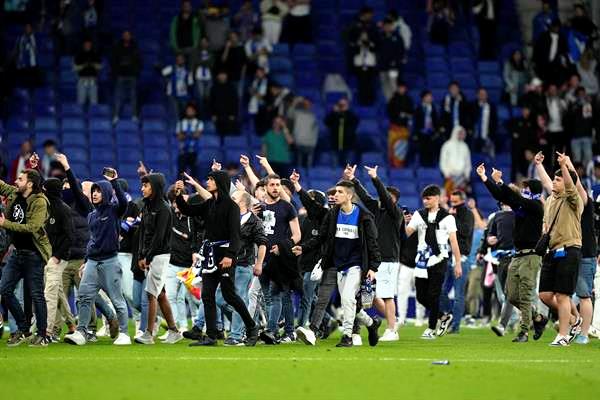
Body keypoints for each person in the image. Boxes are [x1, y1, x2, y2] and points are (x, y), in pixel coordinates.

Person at [175, 170, 260, 346]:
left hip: (225, 255)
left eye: (211, 179)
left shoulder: (231, 206)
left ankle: (252, 327)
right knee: (207, 295)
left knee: (229, 296)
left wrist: (230, 255)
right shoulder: (209, 204)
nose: (208, 181)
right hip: (211, 255)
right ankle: (212, 336)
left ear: (220, 182)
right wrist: (178, 195)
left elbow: (235, 235)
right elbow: (187, 210)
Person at [295, 179, 381, 347]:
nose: (336, 195)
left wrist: (373, 267)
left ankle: (347, 336)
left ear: (349, 195)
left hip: (355, 265)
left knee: (348, 298)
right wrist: (303, 248)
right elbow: (322, 237)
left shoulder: (363, 216)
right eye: (336, 192)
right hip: (336, 264)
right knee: (348, 302)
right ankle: (371, 323)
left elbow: (372, 243)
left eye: (340, 192)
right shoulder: (333, 214)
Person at [476, 163, 544, 342]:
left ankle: (523, 332)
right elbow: (502, 196)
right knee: (512, 295)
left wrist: (501, 182)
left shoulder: (536, 206)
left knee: (526, 293)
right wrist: (485, 178)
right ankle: (537, 317)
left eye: (526, 189)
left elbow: (517, 199)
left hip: (531, 255)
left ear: (534, 192)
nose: (523, 191)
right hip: (518, 254)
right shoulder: (521, 206)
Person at [64, 168, 131, 346]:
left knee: (117, 299)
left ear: (107, 193)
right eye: (93, 191)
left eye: (98, 191)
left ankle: (124, 333)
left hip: (110, 261)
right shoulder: (92, 215)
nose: (94, 194)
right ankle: (81, 332)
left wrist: (115, 182)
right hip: (92, 262)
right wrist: (86, 261)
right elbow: (92, 240)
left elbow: (124, 203)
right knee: (84, 296)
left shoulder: (114, 211)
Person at [536, 154, 596, 344]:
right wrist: (539, 165)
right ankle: (574, 319)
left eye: (558, 179)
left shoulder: (573, 199)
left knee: (564, 295)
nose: (554, 182)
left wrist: (565, 166)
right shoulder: (551, 199)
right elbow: (547, 181)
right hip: (552, 251)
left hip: (570, 249)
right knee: (545, 295)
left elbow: (570, 184)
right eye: (554, 179)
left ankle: (563, 335)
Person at [351, 165, 403, 341]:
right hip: (374, 260)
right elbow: (365, 197)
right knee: (370, 296)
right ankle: (393, 322)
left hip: (388, 260)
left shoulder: (396, 214)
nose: (382, 199)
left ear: (393, 200)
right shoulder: (376, 209)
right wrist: (353, 180)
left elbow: (384, 198)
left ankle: (392, 330)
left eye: (387, 197)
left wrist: (375, 178)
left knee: (387, 295)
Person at [0, 169, 51, 346]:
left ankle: (43, 334)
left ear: (30, 184)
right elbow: (2, 186)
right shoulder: (15, 193)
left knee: (37, 296)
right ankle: (23, 328)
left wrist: (4, 224)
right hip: (17, 253)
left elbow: (32, 227)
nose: (15, 181)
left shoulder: (40, 202)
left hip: (34, 255)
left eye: (20, 179)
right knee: (4, 289)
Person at [405, 184, 462, 340]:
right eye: (423, 198)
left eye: (428, 198)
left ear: (437, 198)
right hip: (422, 260)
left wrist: (458, 263)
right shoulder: (418, 215)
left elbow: (454, 242)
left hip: (440, 259)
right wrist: (404, 223)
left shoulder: (448, 218)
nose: (425, 201)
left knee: (434, 294)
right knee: (421, 297)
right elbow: (407, 234)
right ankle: (443, 316)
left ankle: (431, 328)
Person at [135, 173, 182, 345]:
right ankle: (174, 331)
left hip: (160, 255)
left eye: (146, 185)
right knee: (160, 294)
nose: (142, 188)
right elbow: (142, 233)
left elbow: (159, 237)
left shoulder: (163, 208)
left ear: (154, 187)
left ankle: (149, 334)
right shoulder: (146, 207)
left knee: (151, 293)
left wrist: (147, 256)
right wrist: (141, 254)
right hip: (150, 255)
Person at [259, 174, 301, 343]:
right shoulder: (258, 209)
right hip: (262, 259)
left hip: (281, 259)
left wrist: (283, 247)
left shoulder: (287, 207)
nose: (276, 188)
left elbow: (297, 235)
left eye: (278, 185)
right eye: (272, 185)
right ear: (265, 188)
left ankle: (273, 331)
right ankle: (282, 331)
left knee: (279, 296)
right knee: (269, 298)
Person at [224, 190, 267, 346]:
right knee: (220, 299)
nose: (231, 200)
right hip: (226, 264)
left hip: (243, 264)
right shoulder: (228, 217)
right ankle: (250, 324)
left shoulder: (254, 221)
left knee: (239, 297)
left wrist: (259, 263)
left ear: (242, 202)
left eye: (234, 198)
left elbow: (262, 243)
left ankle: (235, 335)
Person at [41, 178, 73, 342]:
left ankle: (46, 333)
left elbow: (69, 236)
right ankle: (71, 323)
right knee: (58, 292)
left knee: (49, 294)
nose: (42, 191)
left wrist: (57, 256)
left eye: (44, 188)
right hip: (48, 256)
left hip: (58, 259)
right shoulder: (46, 206)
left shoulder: (63, 209)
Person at [438, 190, 474, 334]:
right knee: (440, 290)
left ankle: (456, 326)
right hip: (447, 256)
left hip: (462, 258)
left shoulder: (468, 214)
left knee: (459, 295)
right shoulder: (447, 215)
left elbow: (465, 231)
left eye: (456, 202)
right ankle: (449, 314)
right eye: (452, 201)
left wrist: (453, 217)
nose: (453, 204)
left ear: (462, 201)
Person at [111, 30, 142, 124]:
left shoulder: (135, 47)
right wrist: (116, 72)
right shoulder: (117, 47)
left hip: (132, 75)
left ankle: (134, 115)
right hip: (120, 75)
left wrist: (136, 72)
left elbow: (139, 61)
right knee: (118, 95)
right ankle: (116, 116)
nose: (126, 36)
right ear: (122, 36)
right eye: (125, 35)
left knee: (133, 96)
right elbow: (113, 60)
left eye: (128, 35)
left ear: (131, 36)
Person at [533, 20, 570, 86]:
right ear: (551, 27)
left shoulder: (561, 38)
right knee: (542, 83)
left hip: (555, 66)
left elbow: (564, 52)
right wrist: (536, 62)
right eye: (554, 27)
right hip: (543, 65)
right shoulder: (544, 36)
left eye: (558, 27)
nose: (556, 29)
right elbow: (537, 50)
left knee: (554, 83)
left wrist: (564, 61)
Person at [324, 98, 359, 167]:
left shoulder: (350, 115)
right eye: (340, 104)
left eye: (344, 104)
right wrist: (334, 112)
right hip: (335, 144)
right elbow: (326, 122)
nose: (342, 106)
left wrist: (346, 111)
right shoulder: (334, 115)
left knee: (348, 168)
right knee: (335, 167)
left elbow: (355, 122)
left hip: (348, 145)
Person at [377, 17, 405, 101]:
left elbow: (401, 51)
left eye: (389, 25)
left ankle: (396, 102)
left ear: (392, 26)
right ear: (383, 26)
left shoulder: (397, 37)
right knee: (384, 84)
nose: (387, 27)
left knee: (393, 84)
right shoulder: (379, 37)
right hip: (382, 66)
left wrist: (396, 61)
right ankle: (389, 102)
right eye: (386, 26)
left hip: (394, 67)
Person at [567, 87, 595, 167]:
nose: (581, 96)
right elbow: (569, 118)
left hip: (587, 135)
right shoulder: (572, 105)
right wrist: (576, 105)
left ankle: (588, 176)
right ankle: (578, 177)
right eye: (579, 94)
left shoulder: (589, 105)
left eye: (583, 94)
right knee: (577, 160)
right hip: (575, 136)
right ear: (576, 95)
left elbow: (591, 119)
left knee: (588, 159)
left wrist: (590, 104)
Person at [288, 96, 318, 168]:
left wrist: (313, 143)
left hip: (310, 144)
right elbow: (289, 113)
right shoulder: (297, 113)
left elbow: (315, 131)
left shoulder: (313, 116)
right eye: (305, 103)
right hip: (298, 143)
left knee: (309, 167)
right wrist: (295, 101)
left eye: (308, 104)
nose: (307, 105)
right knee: (298, 167)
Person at [439, 126, 471, 193]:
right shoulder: (447, 145)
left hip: (461, 177)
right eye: (460, 133)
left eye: (463, 134)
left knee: (461, 198)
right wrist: (446, 173)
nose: (461, 135)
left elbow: (468, 163)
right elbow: (443, 161)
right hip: (449, 176)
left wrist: (467, 175)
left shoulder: (465, 146)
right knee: (447, 196)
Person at [413, 90, 441, 167]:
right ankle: (423, 165)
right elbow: (416, 122)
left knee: (434, 145)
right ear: (423, 98)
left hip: (431, 132)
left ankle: (432, 164)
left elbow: (437, 121)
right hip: (421, 133)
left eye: (430, 97)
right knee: (422, 147)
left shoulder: (434, 108)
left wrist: (436, 131)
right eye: (428, 97)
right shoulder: (418, 108)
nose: (430, 98)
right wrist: (415, 133)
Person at [169, 0, 201, 66]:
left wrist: (195, 45)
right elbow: (172, 33)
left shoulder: (195, 19)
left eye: (188, 6)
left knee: (192, 68)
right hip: (179, 49)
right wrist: (175, 47)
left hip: (192, 49)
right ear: (182, 7)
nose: (187, 7)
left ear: (191, 7)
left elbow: (198, 32)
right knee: (181, 69)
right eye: (185, 6)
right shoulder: (176, 19)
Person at [162, 53, 194, 119]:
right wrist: (167, 80)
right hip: (172, 94)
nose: (180, 60)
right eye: (178, 59)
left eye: (181, 59)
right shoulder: (171, 68)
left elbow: (190, 84)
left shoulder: (187, 71)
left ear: (184, 60)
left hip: (184, 94)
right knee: (175, 113)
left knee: (183, 113)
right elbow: (162, 72)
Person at [176, 103, 204, 177]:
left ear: (195, 112)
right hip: (183, 152)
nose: (190, 112)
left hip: (194, 152)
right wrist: (192, 134)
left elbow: (198, 135)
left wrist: (185, 134)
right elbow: (179, 137)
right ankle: (181, 188)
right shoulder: (181, 123)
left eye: (191, 111)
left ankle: (195, 188)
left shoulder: (199, 122)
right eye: (188, 111)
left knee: (195, 174)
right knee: (181, 174)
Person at [351, 31, 377, 106]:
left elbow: (374, 50)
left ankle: (370, 100)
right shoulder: (357, 43)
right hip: (360, 66)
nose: (364, 37)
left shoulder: (371, 43)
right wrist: (359, 44)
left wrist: (368, 44)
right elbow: (355, 52)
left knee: (369, 83)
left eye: (365, 35)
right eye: (362, 35)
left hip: (369, 66)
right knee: (362, 83)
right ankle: (362, 100)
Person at [209, 71, 239, 136]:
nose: (222, 76)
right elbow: (211, 102)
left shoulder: (232, 87)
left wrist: (233, 114)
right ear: (217, 76)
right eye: (220, 75)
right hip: (217, 115)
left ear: (226, 76)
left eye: (224, 74)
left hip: (229, 115)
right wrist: (213, 114)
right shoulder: (213, 87)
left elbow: (235, 102)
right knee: (218, 134)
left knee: (230, 135)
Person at [13, 23, 42, 89]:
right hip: (22, 64)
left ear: (31, 28)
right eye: (26, 27)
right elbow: (16, 50)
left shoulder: (34, 37)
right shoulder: (20, 38)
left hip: (32, 64)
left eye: (29, 27)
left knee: (33, 81)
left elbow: (36, 50)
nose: (28, 29)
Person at [470, 87, 497, 157]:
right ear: (477, 95)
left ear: (487, 95)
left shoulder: (491, 107)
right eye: (480, 94)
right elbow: (469, 120)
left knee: (487, 159)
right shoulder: (472, 106)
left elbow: (494, 122)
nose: (482, 96)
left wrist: (492, 135)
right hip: (474, 136)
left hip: (487, 137)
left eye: (484, 94)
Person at [74, 39, 101, 107]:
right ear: (84, 45)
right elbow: (75, 68)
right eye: (86, 44)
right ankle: (80, 114)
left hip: (92, 79)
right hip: (82, 79)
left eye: (89, 44)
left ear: (91, 45)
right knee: (81, 101)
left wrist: (92, 64)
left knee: (94, 101)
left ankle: (94, 115)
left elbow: (99, 67)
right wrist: (84, 65)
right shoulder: (79, 55)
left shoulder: (95, 54)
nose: (87, 46)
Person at [545, 83, 568, 156]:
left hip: (560, 129)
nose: (553, 91)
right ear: (548, 90)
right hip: (549, 129)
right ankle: (550, 166)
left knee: (559, 152)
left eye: (554, 89)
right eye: (551, 89)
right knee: (549, 151)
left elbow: (566, 112)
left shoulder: (561, 101)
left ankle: (558, 166)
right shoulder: (546, 100)